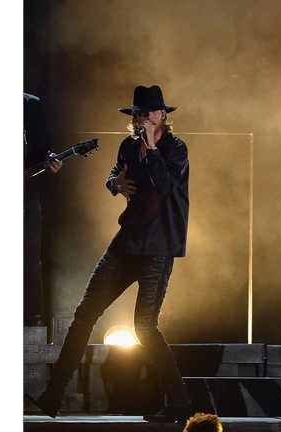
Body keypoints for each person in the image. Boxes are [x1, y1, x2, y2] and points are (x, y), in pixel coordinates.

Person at [25, 85, 192, 423]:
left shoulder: (176, 148)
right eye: (139, 113)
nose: (143, 118)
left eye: (150, 112)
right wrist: (113, 184)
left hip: (158, 246)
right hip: (128, 240)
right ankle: (53, 395)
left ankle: (179, 401)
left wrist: (151, 148)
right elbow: (115, 174)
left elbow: (167, 186)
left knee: (144, 326)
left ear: (163, 116)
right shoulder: (128, 146)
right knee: (85, 312)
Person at [24, 93, 63, 327]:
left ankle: (31, 324)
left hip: (24, 200)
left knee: (29, 262)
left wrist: (50, 161)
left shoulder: (29, 105)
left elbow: (42, 151)